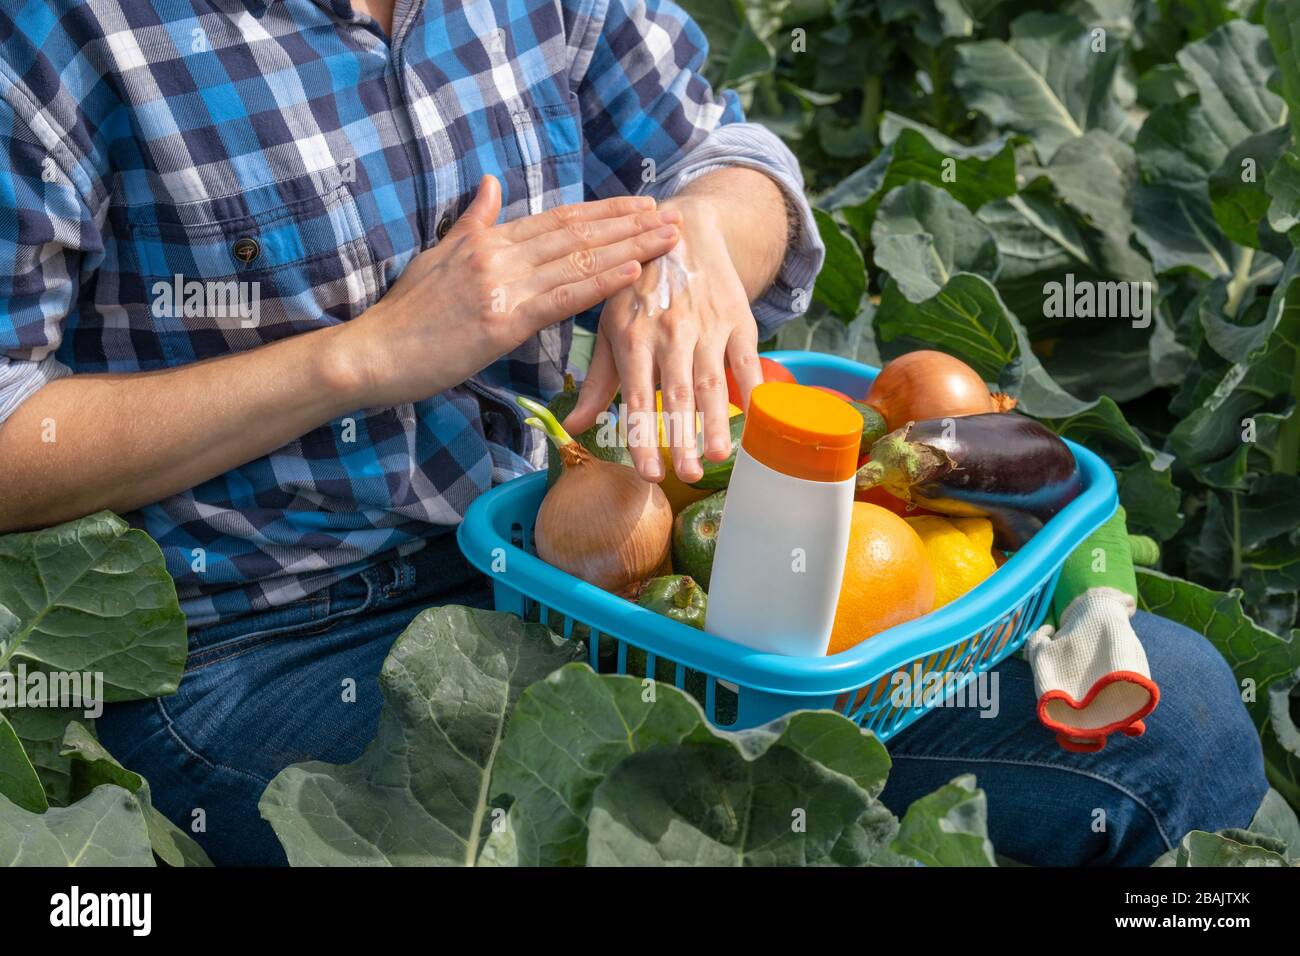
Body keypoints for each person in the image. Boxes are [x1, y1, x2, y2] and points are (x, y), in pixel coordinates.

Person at [0, 0, 1265, 867]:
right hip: (275, 645)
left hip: (598, 578)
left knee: (1184, 720)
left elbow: (730, 154)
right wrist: (357, 357)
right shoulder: (56, 31)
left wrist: (697, 239)